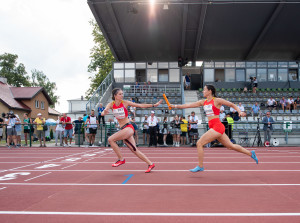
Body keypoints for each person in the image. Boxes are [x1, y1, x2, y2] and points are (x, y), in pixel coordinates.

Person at [170, 84, 259, 172]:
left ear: (210, 91)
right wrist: (175, 106)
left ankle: (200, 166)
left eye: (204, 90)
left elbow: (231, 104)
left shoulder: (217, 100)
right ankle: (251, 153)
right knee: (230, 146)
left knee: (199, 143)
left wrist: (240, 111)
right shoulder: (203, 102)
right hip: (213, 126)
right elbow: (188, 105)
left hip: (217, 126)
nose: (203, 91)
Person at [101, 88, 162, 173]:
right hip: (124, 129)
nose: (122, 95)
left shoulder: (125, 103)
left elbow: (140, 105)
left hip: (129, 127)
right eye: (120, 94)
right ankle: (150, 164)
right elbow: (103, 112)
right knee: (134, 150)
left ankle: (121, 159)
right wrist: (104, 112)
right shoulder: (111, 104)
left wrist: (153, 105)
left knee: (110, 139)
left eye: (122, 93)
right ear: (115, 96)